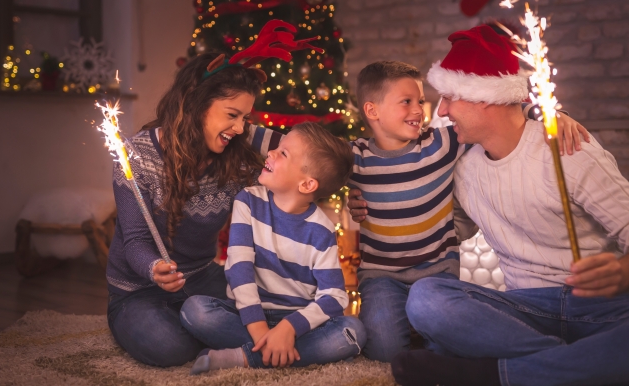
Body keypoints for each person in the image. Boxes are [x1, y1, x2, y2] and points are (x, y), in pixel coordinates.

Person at [374, 25, 629, 386]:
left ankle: (494, 373)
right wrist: (368, 204)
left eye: (449, 97)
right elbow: (440, 225)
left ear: (485, 97)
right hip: (522, 312)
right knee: (428, 299)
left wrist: (622, 272)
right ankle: (572, 363)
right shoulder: (462, 166)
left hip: (602, 308)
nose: (442, 110)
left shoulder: (570, 151)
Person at [343, 59, 588, 364]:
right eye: (406, 102)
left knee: (451, 350)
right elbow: (303, 151)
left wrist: (553, 115)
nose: (419, 109)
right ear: (372, 111)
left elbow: (506, 114)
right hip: (381, 275)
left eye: (420, 100)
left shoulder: (440, 144)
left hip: (437, 273)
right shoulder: (354, 157)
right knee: (384, 353)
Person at [106, 51, 279, 367]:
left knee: (269, 306)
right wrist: (154, 267)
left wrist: (359, 188)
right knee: (169, 347)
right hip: (138, 291)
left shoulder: (236, 152)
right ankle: (221, 336)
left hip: (202, 277)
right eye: (232, 115)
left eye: (246, 118)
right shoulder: (137, 156)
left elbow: (301, 150)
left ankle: (212, 329)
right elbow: (134, 241)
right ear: (195, 104)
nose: (240, 128)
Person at [180, 122, 366, 374]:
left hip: (298, 323)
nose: (271, 153)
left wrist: (288, 329)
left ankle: (244, 357)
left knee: (352, 333)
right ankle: (275, 350)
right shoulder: (248, 200)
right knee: (195, 311)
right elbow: (239, 268)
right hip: (248, 315)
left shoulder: (321, 231)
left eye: (283, 153)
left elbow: (334, 296)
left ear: (307, 184)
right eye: (277, 148)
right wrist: (260, 331)